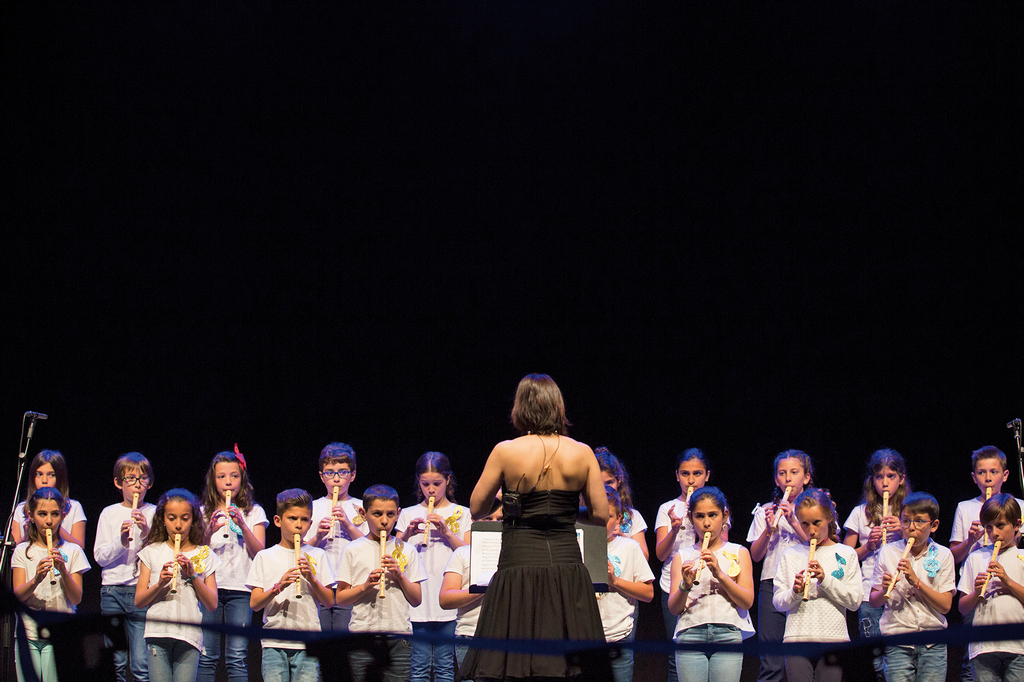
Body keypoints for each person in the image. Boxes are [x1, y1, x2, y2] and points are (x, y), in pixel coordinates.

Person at [459, 373, 610, 682]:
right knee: (569, 667)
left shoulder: (506, 451)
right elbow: (600, 515)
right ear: (557, 407)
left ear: (520, 408)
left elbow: (476, 508)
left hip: (519, 564)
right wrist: (564, 512)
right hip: (566, 565)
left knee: (515, 663)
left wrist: (512, 504)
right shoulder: (582, 452)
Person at [337, 484, 427, 682]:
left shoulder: (407, 550)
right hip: (363, 636)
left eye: (390, 514)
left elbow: (417, 599)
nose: (384, 521)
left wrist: (399, 576)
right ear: (364, 513)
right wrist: (365, 586)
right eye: (377, 514)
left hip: (399, 637)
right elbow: (341, 598)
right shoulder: (353, 549)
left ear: (398, 514)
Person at [949, 446, 1024, 682]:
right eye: (982, 472)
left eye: (994, 471)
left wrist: (1007, 579)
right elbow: (954, 556)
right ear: (974, 477)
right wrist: (972, 540)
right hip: (983, 631)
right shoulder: (965, 508)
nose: (988, 478)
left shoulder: (1018, 505)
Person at [773, 488, 862, 682]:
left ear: (829, 518)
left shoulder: (847, 553)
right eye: (804, 524)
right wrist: (795, 592)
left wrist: (825, 580)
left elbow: (855, 602)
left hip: (834, 641)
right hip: (796, 639)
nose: (811, 530)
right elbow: (778, 602)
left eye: (816, 523)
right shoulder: (791, 554)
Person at [396, 451, 471, 682]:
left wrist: (447, 532)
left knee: (445, 668)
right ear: (418, 482)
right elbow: (394, 553)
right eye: (425, 484)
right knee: (418, 668)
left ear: (448, 480)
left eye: (437, 484)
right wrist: (407, 534)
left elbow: (469, 552)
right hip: (418, 600)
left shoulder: (463, 514)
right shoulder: (408, 514)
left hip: (447, 599)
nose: (431, 490)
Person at [247, 489, 335, 682]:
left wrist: (311, 578)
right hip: (274, 641)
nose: (298, 525)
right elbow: (255, 604)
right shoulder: (265, 556)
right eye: (292, 518)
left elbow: (329, 601)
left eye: (304, 520)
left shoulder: (317, 555)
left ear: (310, 523)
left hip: (308, 642)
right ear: (278, 521)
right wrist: (279, 586)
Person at [669, 486, 754, 682]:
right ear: (691, 518)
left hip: (728, 633)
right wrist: (685, 586)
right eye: (699, 516)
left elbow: (747, 601)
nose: (706, 523)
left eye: (713, 515)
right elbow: (674, 608)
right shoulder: (682, 556)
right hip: (690, 633)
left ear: (724, 516)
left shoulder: (739, 552)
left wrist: (720, 574)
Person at [135, 489, 221, 682]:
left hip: (188, 636)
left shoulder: (205, 554)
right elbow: (139, 601)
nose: (178, 525)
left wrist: (193, 576)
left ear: (193, 520)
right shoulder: (151, 552)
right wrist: (159, 584)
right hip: (158, 632)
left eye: (185, 518)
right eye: (172, 518)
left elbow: (212, 603)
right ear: (163, 519)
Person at [197, 447, 268, 682]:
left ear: (242, 479)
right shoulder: (202, 512)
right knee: (207, 655)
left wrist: (243, 526)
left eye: (234, 476)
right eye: (222, 477)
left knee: (237, 656)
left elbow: (260, 553)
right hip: (210, 588)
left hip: (240, 588)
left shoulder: (254, 511)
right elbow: (197, 553)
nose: (228, 482)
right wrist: (209, 530)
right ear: (213, 480)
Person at [868, 492, 954, 682]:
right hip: (897, 640)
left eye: (919, 522)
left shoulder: (944, 555)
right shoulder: (888, 552)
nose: (911, 528)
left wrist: (916, 581)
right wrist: (884, 591)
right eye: (906, 521)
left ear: (934, 525)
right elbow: (874, 602)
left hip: (933, 643)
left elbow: (946, 606)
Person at [842, 448, 910, 680]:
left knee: (899, 653)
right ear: (872, 480)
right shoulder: (860, 513)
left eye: (891, 476)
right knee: (873, 656)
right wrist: (868, 546)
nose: (885, 482)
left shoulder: (909, 511)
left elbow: (925, 545)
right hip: (869, 592)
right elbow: (844, 557)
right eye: (879, 477)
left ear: (901, 479)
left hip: (903, 590)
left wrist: (904, 530)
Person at [12, 487, 91, 682]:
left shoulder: (73, 551)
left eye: (55, 514)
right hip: (29, 633)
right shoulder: (23, 551)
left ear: (63, 515)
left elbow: (76, 598)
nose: (49, 521)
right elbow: (18, 596)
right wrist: (36, 579)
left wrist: (63, 571)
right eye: (42, 514)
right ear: (31, 516)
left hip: (60, 634)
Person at [747, 449, 813, 682]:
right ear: (776, 478)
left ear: (805, 477)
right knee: (771, 661)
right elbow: (755, 556)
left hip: (806, 584)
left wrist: (794, 521)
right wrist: (768, 530)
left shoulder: (816, 511)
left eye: (794, 472)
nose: (788, 478)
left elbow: (818, 545)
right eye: (782, 473)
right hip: (771, 583)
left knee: (802, 658)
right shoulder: (767, 510)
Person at [94, 452, 157, 682]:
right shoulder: (109, 513)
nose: (136, 485)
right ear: (119, 483)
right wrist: (121, 542)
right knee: (116, 662)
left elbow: (160, 553)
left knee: (141, 664)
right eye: (130, 479)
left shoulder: (154, 512)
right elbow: (100, 557)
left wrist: (147, 532)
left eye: (142, 479)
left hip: (142, 592)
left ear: (149, 483)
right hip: (113, 591)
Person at [655, 448, 714, 682]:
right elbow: (660, 554)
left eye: (697, 473)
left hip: (708, 585)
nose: (691, 480)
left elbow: (725, 547)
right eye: (685, 473)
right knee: (676, 656)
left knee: (707, 654)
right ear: (677, 475)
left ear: (707, 475)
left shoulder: (714, 506)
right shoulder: (667, 508)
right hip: (673, 585)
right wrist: (675, 529)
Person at [305, 442, 368, 633]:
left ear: (353, 475)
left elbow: (369, 547)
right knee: (321, 643)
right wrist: (318, 536)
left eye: (342, 472)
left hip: (348, 586)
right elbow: (301, 549)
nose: (336, 479)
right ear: (321, 477)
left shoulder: (362, 507)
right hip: (319, 584)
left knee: (343, 643)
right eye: (330, 473)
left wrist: (348, 525)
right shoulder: (312, 508)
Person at [438, 506, 503, 682]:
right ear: (474, 521)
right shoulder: (463, 553)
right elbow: (445, 598)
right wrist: (483, 587)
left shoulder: (518, 553)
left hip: (508, 638)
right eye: (488, 519)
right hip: (471, 636)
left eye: (501, 519)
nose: (495, 524)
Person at [599, 485, 654, 682]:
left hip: (619, 636)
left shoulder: (629, 547)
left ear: (618, 519)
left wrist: (615, 581)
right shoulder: (577, 545)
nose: (601, 522)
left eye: (609, 516)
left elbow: (648, 593)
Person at [12, 449, 87, 548]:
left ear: (60, 478)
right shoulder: (21, 509)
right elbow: (13, 551)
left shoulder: (74, 507)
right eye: (39, 474)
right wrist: (27, 536)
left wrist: (54, 525)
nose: (44, 480)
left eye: (51, 475)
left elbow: (80, 548)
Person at [596, 447, 649, 560]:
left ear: (619, 481)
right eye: (599, 483)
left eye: (609, 482)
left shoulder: (632, 516)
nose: (604, 489)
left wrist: (622, 536)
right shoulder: (586, 515)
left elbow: (644, 558)